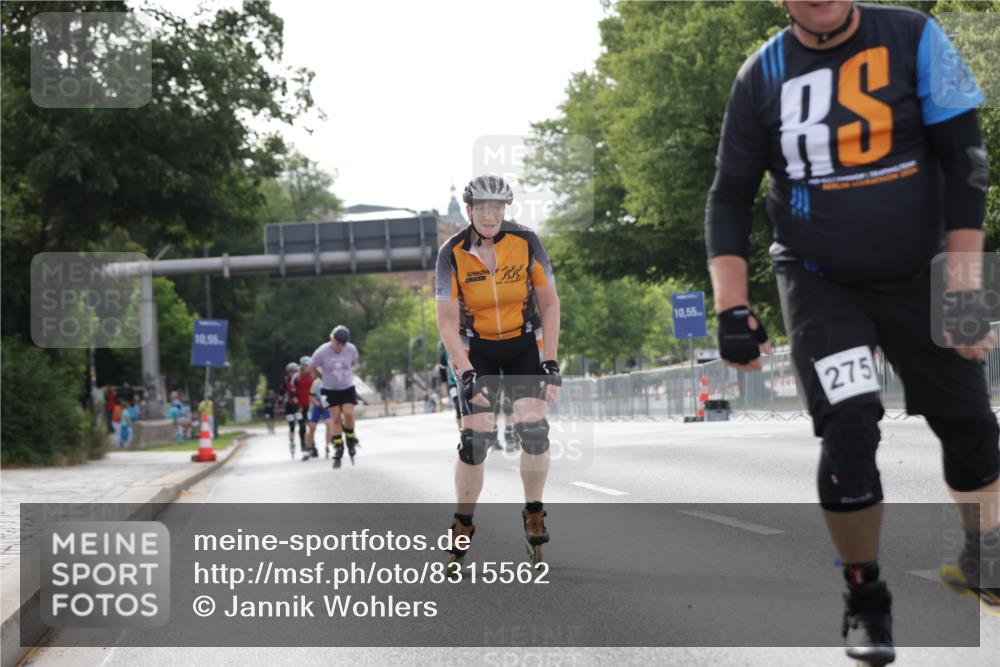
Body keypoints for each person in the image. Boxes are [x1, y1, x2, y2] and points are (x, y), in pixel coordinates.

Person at [704, 1, 998, 661]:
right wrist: (730, 306)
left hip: (927, 270)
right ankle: (866, 596)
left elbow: (966, 163)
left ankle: (985, 543)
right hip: (820, 279)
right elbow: (728, 196)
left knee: (973, 427)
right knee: (850, 425)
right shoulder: (762, 74)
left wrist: (965, 283)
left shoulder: (917, 36)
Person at [435, 174, 562, 566]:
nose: (491, 215)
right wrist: (466, 369)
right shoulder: (451, 253)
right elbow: (445, 320)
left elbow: (550, 304)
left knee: (534, 430)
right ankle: (463, 521)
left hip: (523, 341)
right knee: (476, 441)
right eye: (483, 209)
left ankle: (534, 509)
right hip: (477, 348)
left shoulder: (527, 242)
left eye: (498, 209)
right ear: (469, 211)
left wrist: (550, 361)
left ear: (504, 211)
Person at [312, 326, 360, 469]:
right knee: (336, 418)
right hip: (328, 389)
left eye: (342, 343)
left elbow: (353, 362)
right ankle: (339, 445)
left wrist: (347, 374)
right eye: (337, 342)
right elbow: (313, 366)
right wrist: (321, 377)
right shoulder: (321, 352)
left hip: (347, 387)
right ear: (332, 339)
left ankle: (350, 437)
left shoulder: (351, 349)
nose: (339, 346)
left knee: (349, 414)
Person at [307, 367, 333, 457]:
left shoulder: (331, 381)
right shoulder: (316, 382)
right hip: (317, 404)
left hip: (327, 403)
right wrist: (316, 403)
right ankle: (309, 447)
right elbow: (311, 396)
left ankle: (327, 445)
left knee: (329, 423)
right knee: (312, 426)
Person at [296, 355, 317, 460]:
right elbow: (293, 392)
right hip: (300, 406)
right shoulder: (297, 378)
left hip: (311, 405)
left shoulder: (313, 376)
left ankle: (312, 447)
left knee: (311, 427)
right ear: (301, 366)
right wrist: (297, 405)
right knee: (302, 427)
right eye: (304, 365)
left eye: (308, 365)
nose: (306, 367)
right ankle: (305, 447)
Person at [280, 362, 302, 458]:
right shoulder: (285, 381)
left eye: (294, 371)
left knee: (302, 424)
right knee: (292, 425)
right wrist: (280, 403)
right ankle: (292, 442)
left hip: (298, 405)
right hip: (289, 406)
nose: (292, 373)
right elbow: (281, 393)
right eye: (291, 372)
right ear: (288, 372)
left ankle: (305, 444)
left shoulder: (299, 380)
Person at [439, 346, 462, 429]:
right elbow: (442, 371)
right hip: (453, 384)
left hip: (466, 382)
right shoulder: (445, 354)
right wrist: (445, 386)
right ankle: (461, 431)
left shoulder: (465, 348)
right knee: (458, 405)